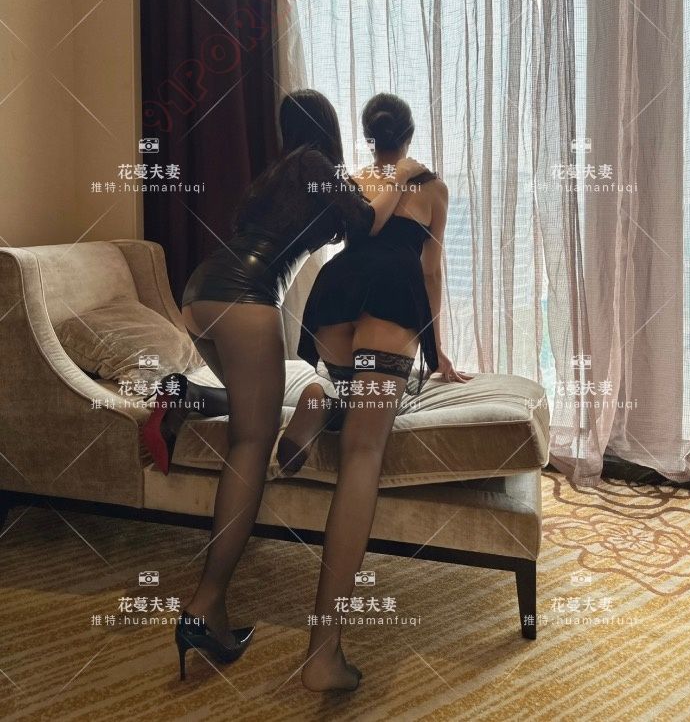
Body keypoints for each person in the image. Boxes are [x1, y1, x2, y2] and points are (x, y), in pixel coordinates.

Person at [141, 88, 428, 679]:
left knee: (258, 408)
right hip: (247, 297)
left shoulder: (276, 174)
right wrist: (398, 176)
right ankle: (205, 604)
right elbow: (365, 221)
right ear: (328, 128)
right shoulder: (315, 164)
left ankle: (189, 395)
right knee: (252, 441)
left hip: (201, 292)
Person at [280, 92, 469, 692]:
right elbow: (430, 272)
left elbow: (349, 231)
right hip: (392, 295)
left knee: (351, 393)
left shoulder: (359, 180)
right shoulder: (432, 188)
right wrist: (436, 351)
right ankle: (322, 653)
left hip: (335, 291)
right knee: (364, 453)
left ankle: (321, 400)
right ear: (409, 134)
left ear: (369, 137)